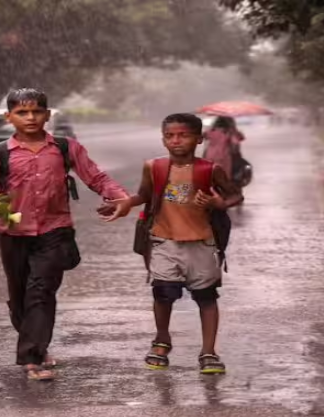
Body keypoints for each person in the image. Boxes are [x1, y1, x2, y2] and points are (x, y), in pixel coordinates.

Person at [0, 88, 129, 381]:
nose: (30, 117)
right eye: (22, 112)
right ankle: (39, 345)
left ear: (47, 115)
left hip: (55, 231)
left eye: (36, 111)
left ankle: (32, 359)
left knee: (41, 292)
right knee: (18, 298)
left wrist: (119, 197)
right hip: (12, 234)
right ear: (9, 117)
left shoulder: (64, 147)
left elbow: (95, 176)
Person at [104, 113, 243, 374]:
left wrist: (218, 203)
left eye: (184, 135)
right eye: (170, 136)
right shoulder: (153, 167)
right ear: (163, 139)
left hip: (201, 243)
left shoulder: (210, 170)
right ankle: (162, 339)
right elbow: (145, 195)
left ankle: (209, 351)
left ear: (199, 139)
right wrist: (126, 203)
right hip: (163, 242)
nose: (176, 141)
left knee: (206, 297)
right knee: (163, 294)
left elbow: (236, 195)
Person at [203, 116, 245, 185]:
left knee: (211, 177)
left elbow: (203, 136)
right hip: (224, 157)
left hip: (209, 156)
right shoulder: (229, 132)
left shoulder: (211, 131)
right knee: (224, 178)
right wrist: (235, 130)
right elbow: (238, 140)